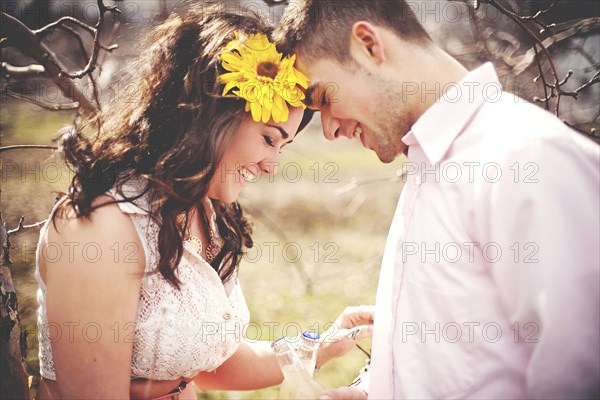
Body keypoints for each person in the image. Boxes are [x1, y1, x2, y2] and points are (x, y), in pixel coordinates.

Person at [34, 4, 373, 399]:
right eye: (268, 139)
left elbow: (213, 365)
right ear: (211, 115)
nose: (272, 165)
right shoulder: (102, 229)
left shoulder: (204, 211)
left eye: (284, 146)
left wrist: (325, 344)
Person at [276, 0, 600, 399]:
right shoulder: (429, 165)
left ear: (368, 45)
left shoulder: (525, 158)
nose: (328, 131)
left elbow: (579, 374)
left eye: (324, 97)